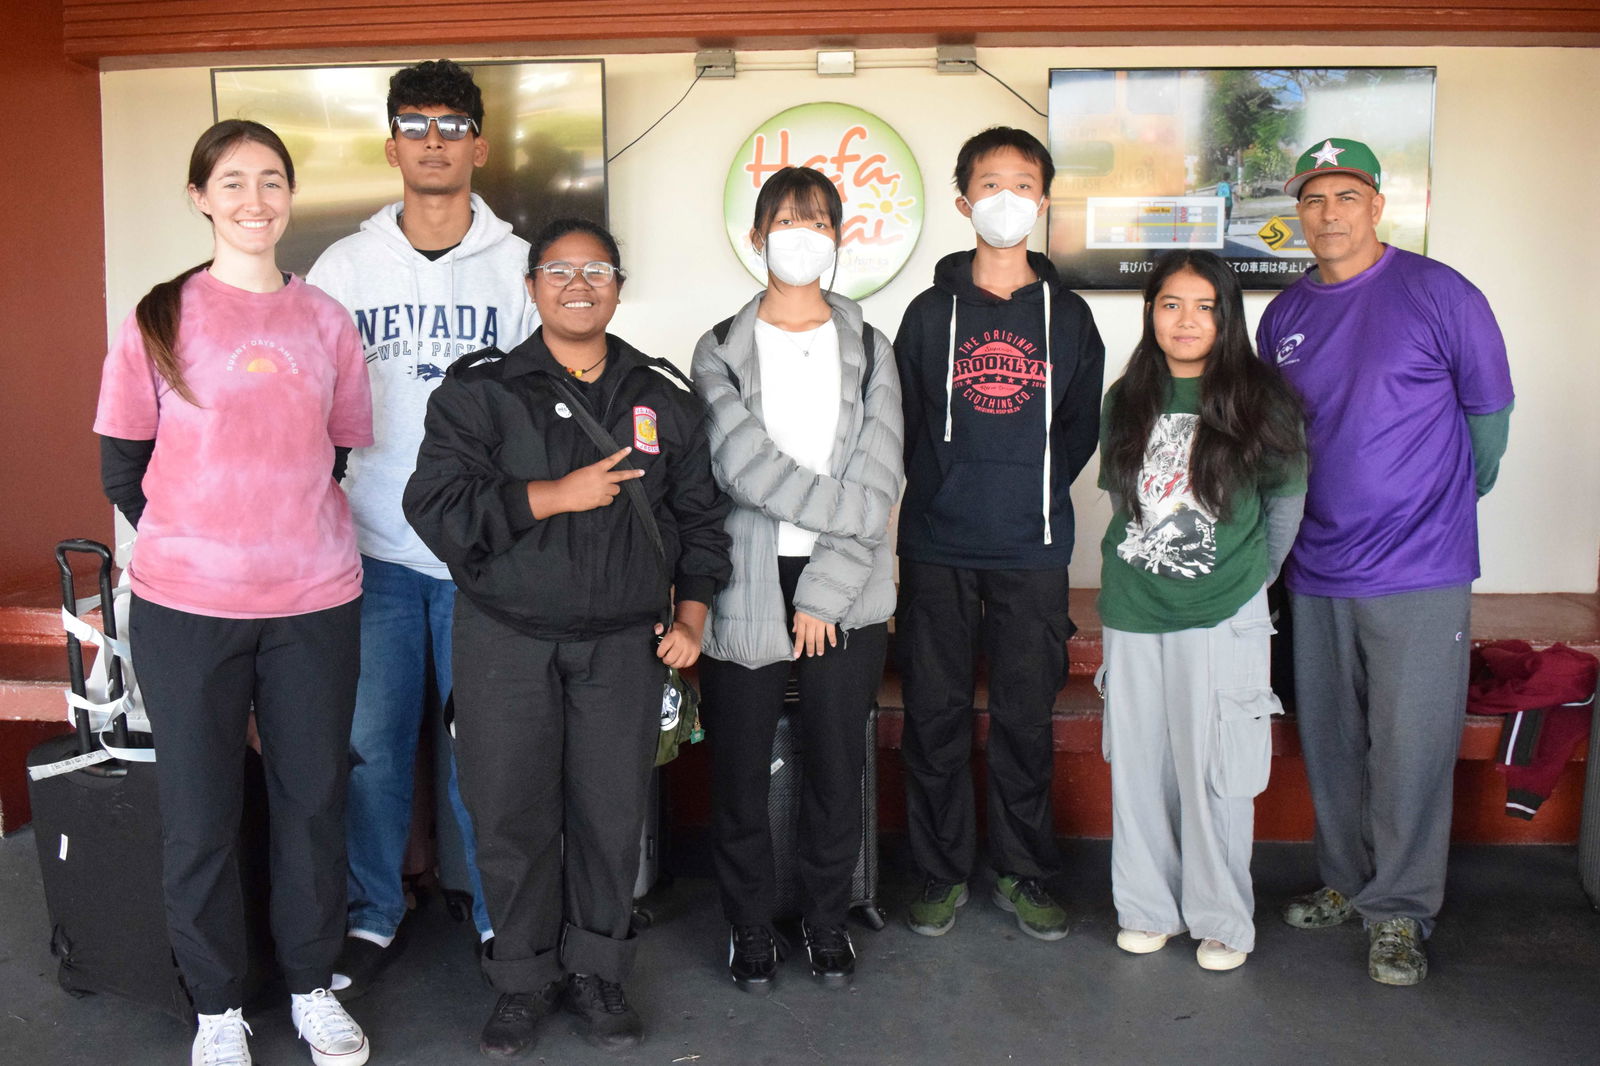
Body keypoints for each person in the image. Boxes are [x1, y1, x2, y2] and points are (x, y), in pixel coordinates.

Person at [403, 218, 731, 1055]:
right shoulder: (480, 393)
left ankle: (597, 973)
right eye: (559, 269)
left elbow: (701, 520)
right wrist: (552, 495)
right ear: (532, 286)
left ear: (619, 285)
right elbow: (435, 510)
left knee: (609, 816)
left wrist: (692, 615)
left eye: (597, 270)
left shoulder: (661, 396)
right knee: (508, 813)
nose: (578, 283)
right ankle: (520, 977)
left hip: (622, 644)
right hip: (504, 639)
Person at [95, 119, 373, 1066]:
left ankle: (310, 986)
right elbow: (124, 465)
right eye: (234, 182)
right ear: (200, 198)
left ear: (289, 197)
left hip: (314, 603)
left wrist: (271, 529)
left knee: (312, 802)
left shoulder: (327, 320)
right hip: (186, 608)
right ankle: (217, 1007)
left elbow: (335, 452)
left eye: (272, 182)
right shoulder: (160, 318)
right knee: (202, 810)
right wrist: (201, 535)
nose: (255, 200)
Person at [1256, 137, 1514, 986]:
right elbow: (1276, 443)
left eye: (1345, 197)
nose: (1328, 214)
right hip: (1316, 566)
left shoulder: (1440, 292)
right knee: (1331, 741)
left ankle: (1400, 912)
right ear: (1299, 214)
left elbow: (1487, 426)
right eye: (1313, 200)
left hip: (1419, 569)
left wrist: (1425, 510)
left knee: (1410, 746)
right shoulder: (1284, 316)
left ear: (1377, 205)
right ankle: (1346, 881)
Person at [307, 58, 536, 994]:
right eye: (416, 123)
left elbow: (551, 412)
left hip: (485, 555)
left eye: (452, 124)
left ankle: (495, 914)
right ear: (392, 143)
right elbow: (305, 410)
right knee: (370, 749)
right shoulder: (344, 267)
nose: (434, 140)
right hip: (373, 554)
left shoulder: (524, 264)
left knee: (484, 751)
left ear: (479, 144)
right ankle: (371, 912)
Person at [690, 166, 904, 993]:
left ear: (839, 238)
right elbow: (740, 467)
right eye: (785, 220)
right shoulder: (718, 348)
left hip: (847, 590)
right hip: (744, 580)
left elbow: (879, 482)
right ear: (755, 238)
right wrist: (831, 520)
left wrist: (820, 590)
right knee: (741, 770)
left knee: (831, 764)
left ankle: (825, 920)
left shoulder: (874, 348)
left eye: (817, 221)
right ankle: (748, 926)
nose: (801, 234)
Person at [894, 126, 1105, 941]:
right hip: (938, 545)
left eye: (1023, 184)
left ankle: (1022, 872)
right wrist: (950, 490)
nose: (1006, 199)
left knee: (1024, 719)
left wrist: (1032, 491)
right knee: (934, 716)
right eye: (990, 184)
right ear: (962, 201)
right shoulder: (926, 313)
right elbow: (904, 421)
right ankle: (940, 873)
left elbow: (1080, 427)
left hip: (1032, 547)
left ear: (1043, 200)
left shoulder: (1071, 316)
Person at [1096, 249, 1305, 973]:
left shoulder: (1261, 397)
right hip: (1133, 607)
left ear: (1226, 316)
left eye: (1205, 306)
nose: (1187, 321)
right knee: (1141, 767)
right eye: (1171, 304)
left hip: (1222, 611)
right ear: (1151, 312)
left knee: (1216, 767)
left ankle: (1221, 919)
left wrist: (1248, 580)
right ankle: (1147, 908)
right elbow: (1128, 506)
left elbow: (1285, 506)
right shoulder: (1126, 397)